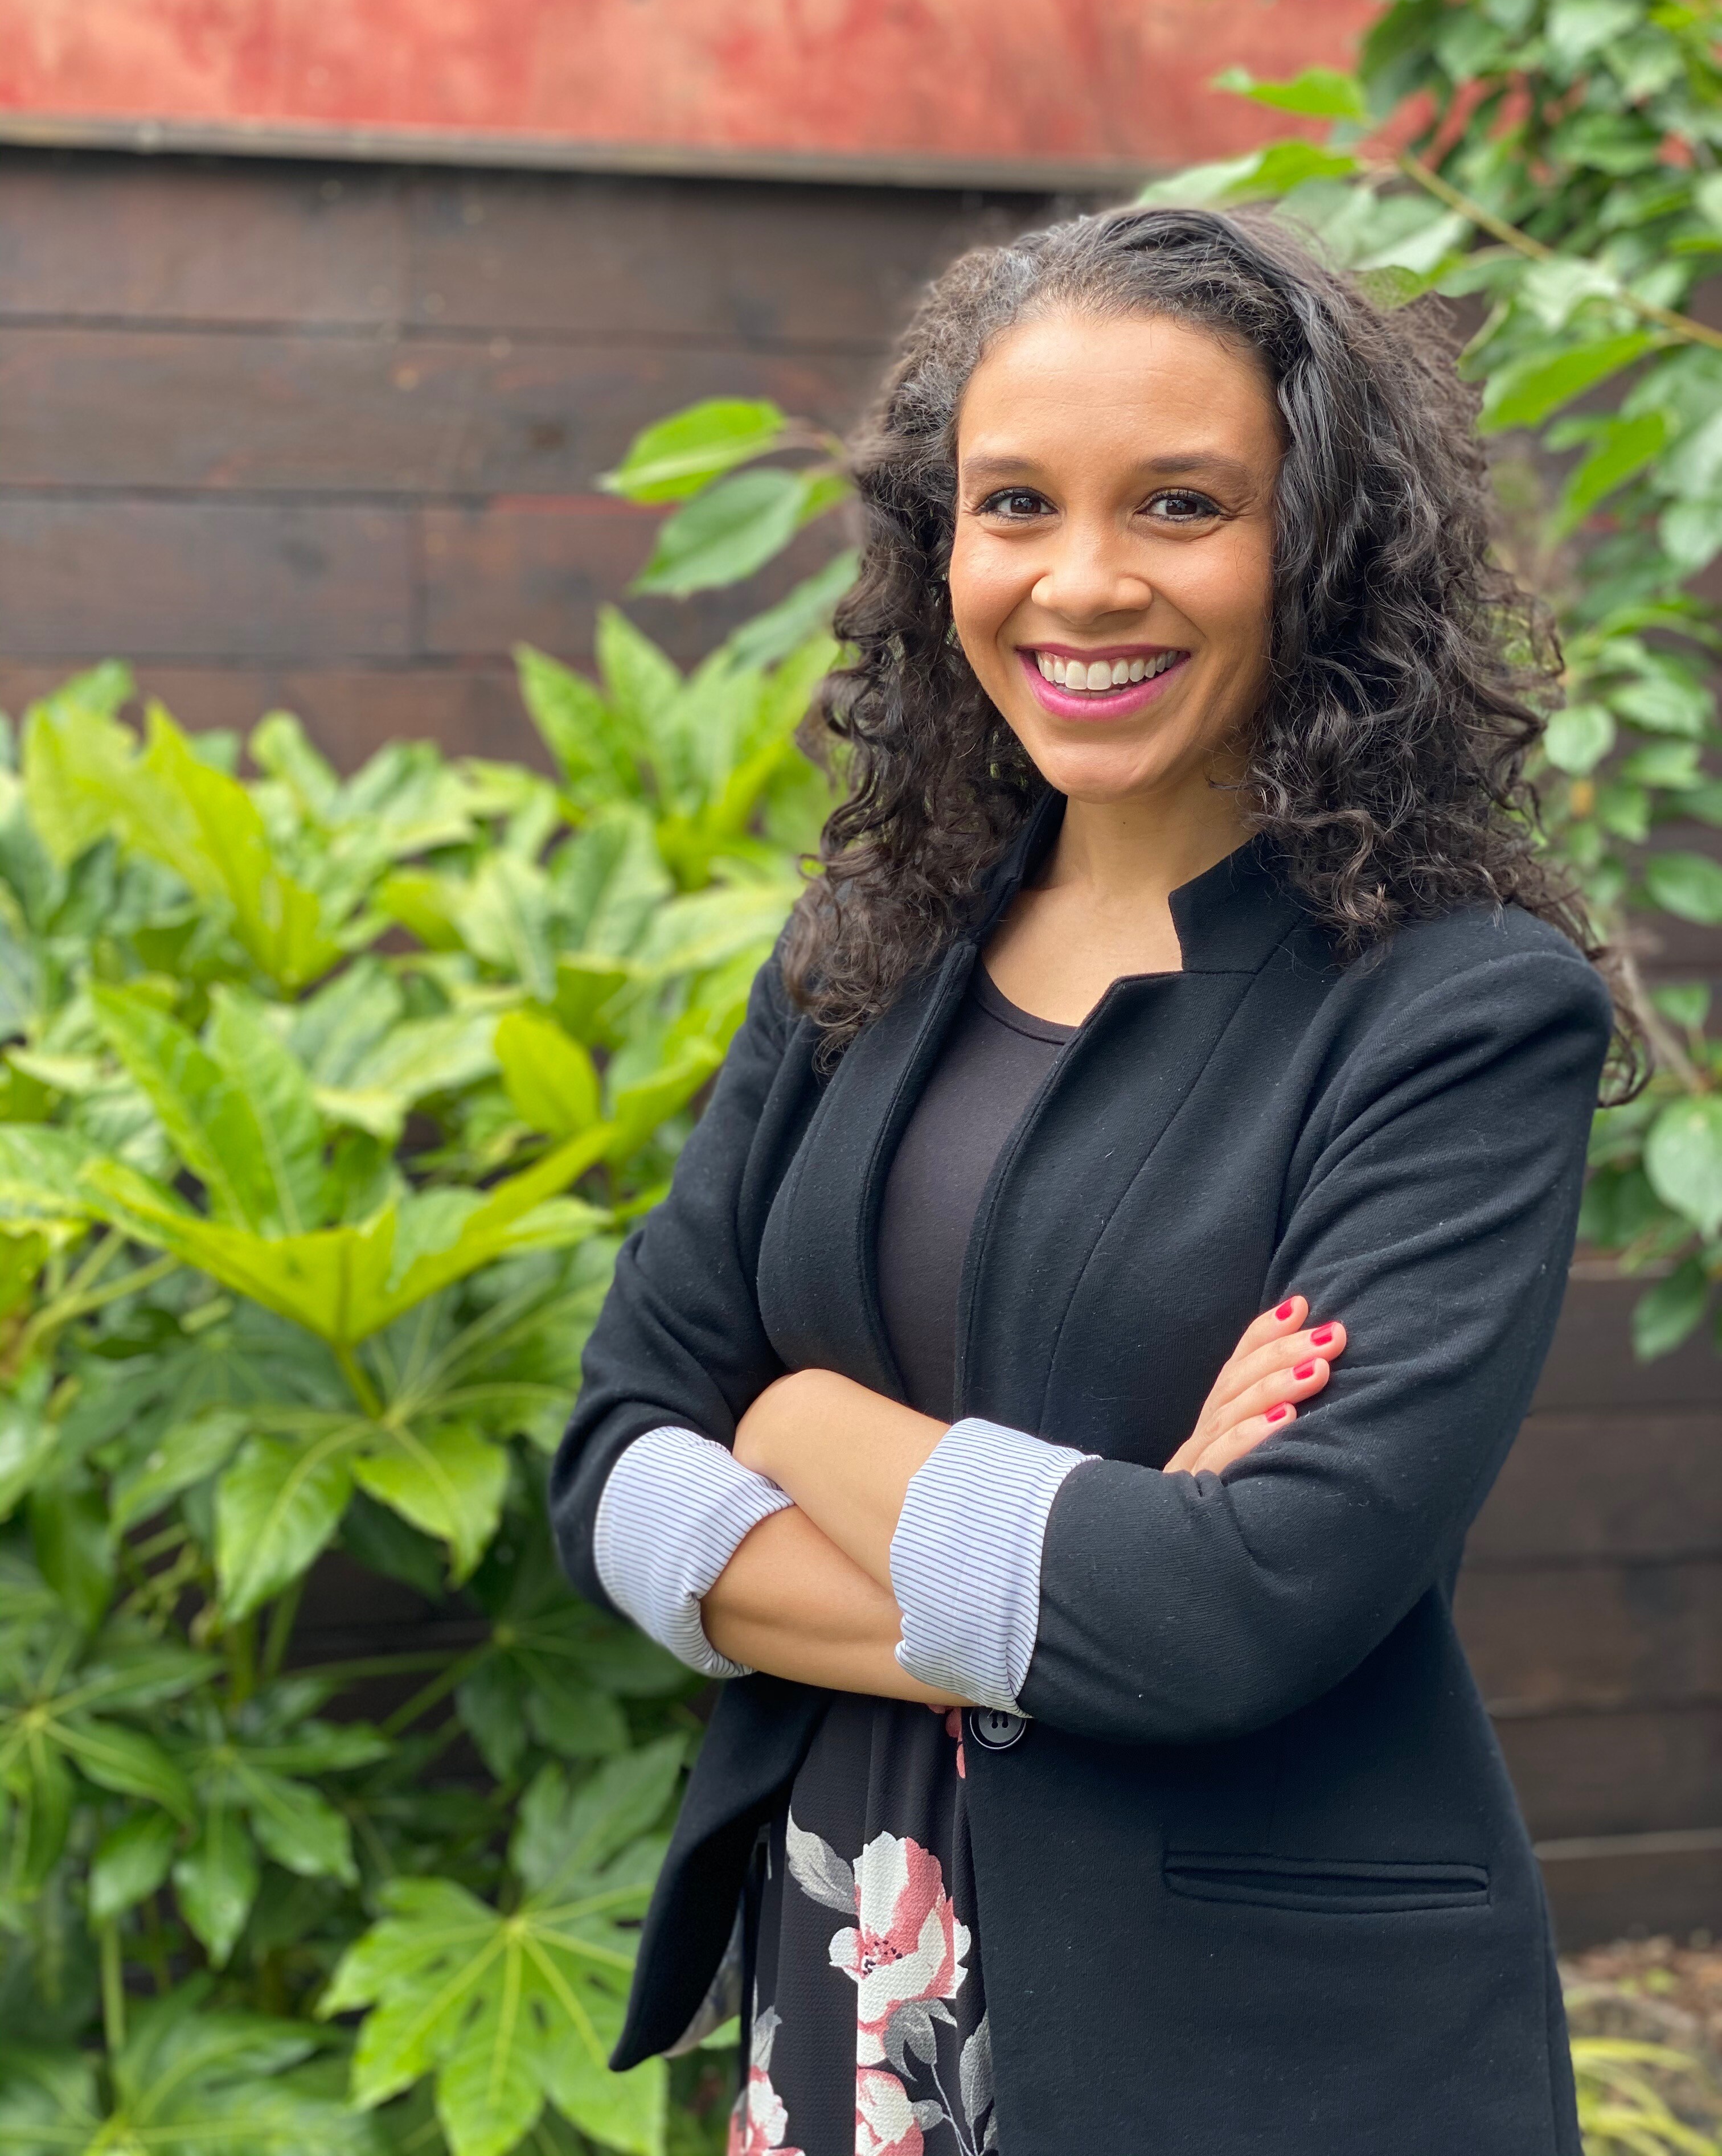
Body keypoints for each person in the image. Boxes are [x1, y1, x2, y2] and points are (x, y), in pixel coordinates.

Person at [551, 205, 1618, 2156]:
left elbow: (1241, 1614)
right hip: (847, 1979)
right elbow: (615, 1462)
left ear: (1324, 550)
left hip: (1251, 2053)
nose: (1084, 582)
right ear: (938, 541)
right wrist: (1065, 1579)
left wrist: (801, 1424)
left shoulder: (1459, 1012)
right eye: (1016, 503)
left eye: (1185, 505)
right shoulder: (868, 950)